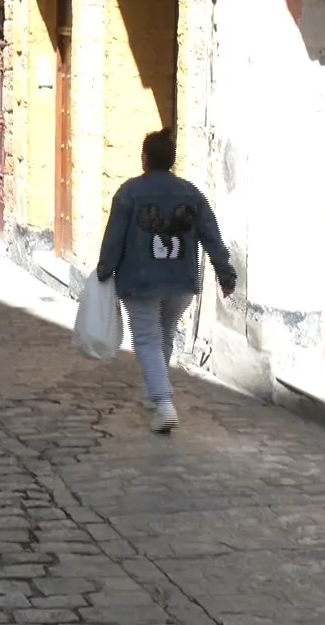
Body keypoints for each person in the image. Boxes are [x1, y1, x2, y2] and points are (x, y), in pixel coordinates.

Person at [96, 129, 235, 434]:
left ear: (144, 159)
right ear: (171, 161)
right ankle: (154, 394)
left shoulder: (129, 193)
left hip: (141, 280)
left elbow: (114, 238)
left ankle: (163, 403)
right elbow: (212, 235)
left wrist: (104, 271)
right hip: (181, 280)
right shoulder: (191, 194)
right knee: (165, 334)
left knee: (146, 339)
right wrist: (225, 273)